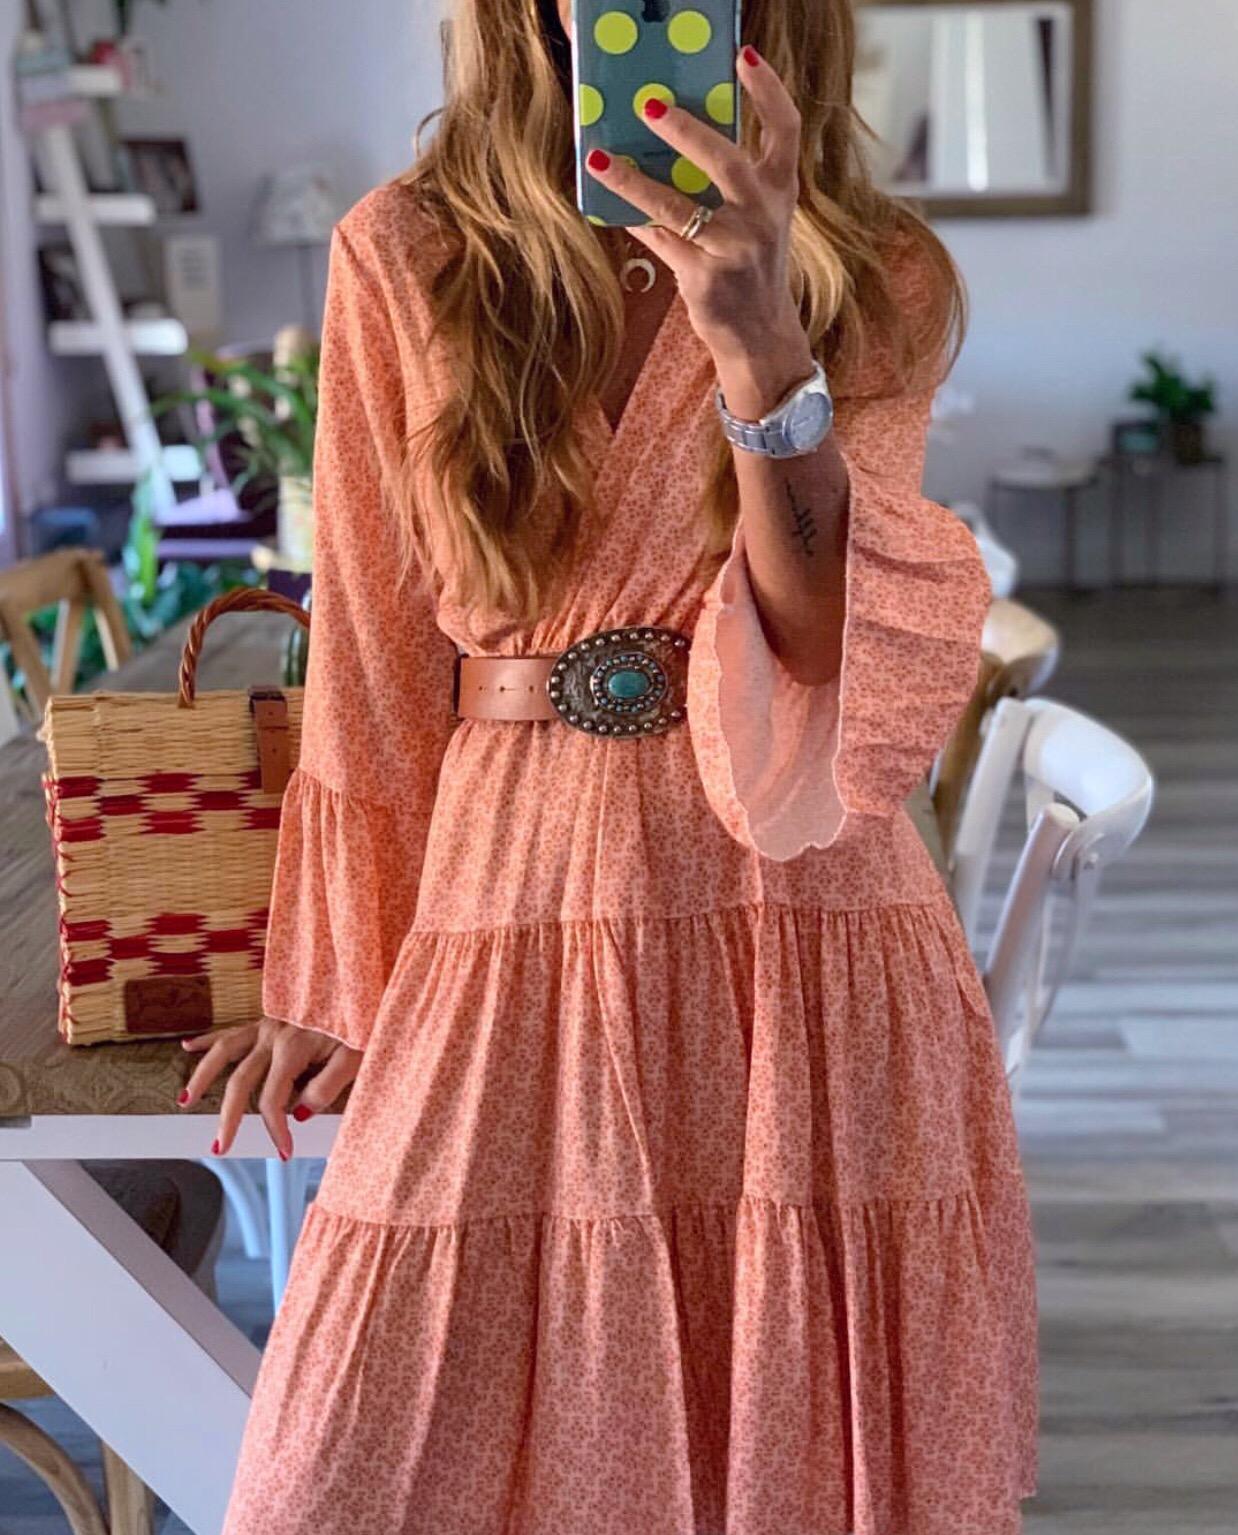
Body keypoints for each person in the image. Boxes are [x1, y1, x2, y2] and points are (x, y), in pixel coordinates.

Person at [188, 2, 1039, 1531]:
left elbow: (821, 648)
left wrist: (760, 346)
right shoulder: (411, 250)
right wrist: (334, 972)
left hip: (802, 923)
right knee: (336, 1472)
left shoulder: (875, 270)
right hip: (515, 893)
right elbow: (371, 652)